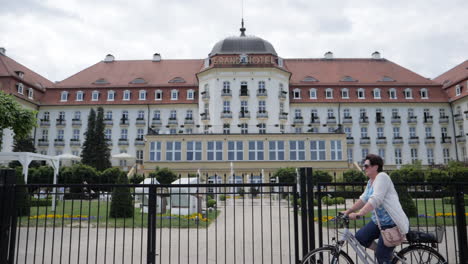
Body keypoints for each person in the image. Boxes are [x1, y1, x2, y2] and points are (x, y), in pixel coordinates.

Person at [343, 154, 409, 264]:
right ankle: (387, 254)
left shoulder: (382, 177)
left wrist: (360, 214)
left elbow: (376, 199)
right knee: (361, 237)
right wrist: (348, 211)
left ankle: (384, 255)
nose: (364, 168)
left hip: (391, 223)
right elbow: (363, 199)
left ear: (376, 167)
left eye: (366, 165)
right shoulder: (370, 182)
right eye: (363, 166)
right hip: (378, 222)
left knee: (381, 256)